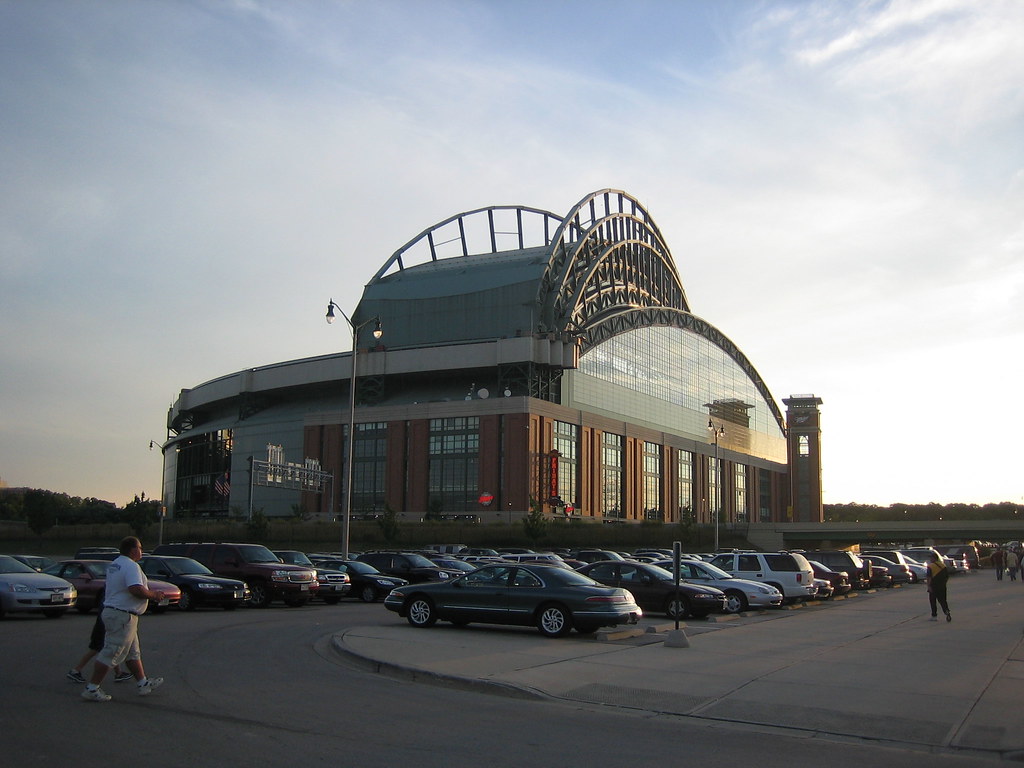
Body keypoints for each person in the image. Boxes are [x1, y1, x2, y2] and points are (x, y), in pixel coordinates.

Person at [81, 536, 166, 702]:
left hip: (118, 613)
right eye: (140, 548)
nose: (142, 551)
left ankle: (142, 683)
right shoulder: (131, 565)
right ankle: (92, 688)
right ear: (133, 550)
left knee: (132, 652)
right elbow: (135, 589)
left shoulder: (116, 564)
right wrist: (154, 595)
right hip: (122, 616)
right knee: (112, 651)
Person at [66, 599, 133, 684]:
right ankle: (76, 670)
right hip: (103, 624)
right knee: (97, 648)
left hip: (103, 622)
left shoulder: (109, 595)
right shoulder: (109, 598)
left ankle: (118, 673)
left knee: (110, 649)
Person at [925, 551, 951, 622]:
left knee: (933, 601)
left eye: (930, 558)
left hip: (934, 586)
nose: (930, 559)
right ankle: (946, 612)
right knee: (943, 600)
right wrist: (944, 583)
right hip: (942, 586)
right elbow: (947, 576)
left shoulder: (930, 566)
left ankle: (934, 616)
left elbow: (929, 577)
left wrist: (929, 586)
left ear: (934, 558)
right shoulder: (943, 565)